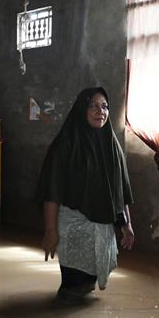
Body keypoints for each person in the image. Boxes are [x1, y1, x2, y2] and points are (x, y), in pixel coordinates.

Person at [35, 87, 134, 303]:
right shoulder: (66, 144)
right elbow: (52, 191)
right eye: (94, 106)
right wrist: (50, 231)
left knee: (87, 284)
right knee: (71, 287)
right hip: (73, 224)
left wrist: (127, 224)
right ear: (82, 109)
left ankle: (83, 291)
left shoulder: (112, 146)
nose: (101, 111)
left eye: (105, 107)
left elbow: (121, 190)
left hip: (103, 224)